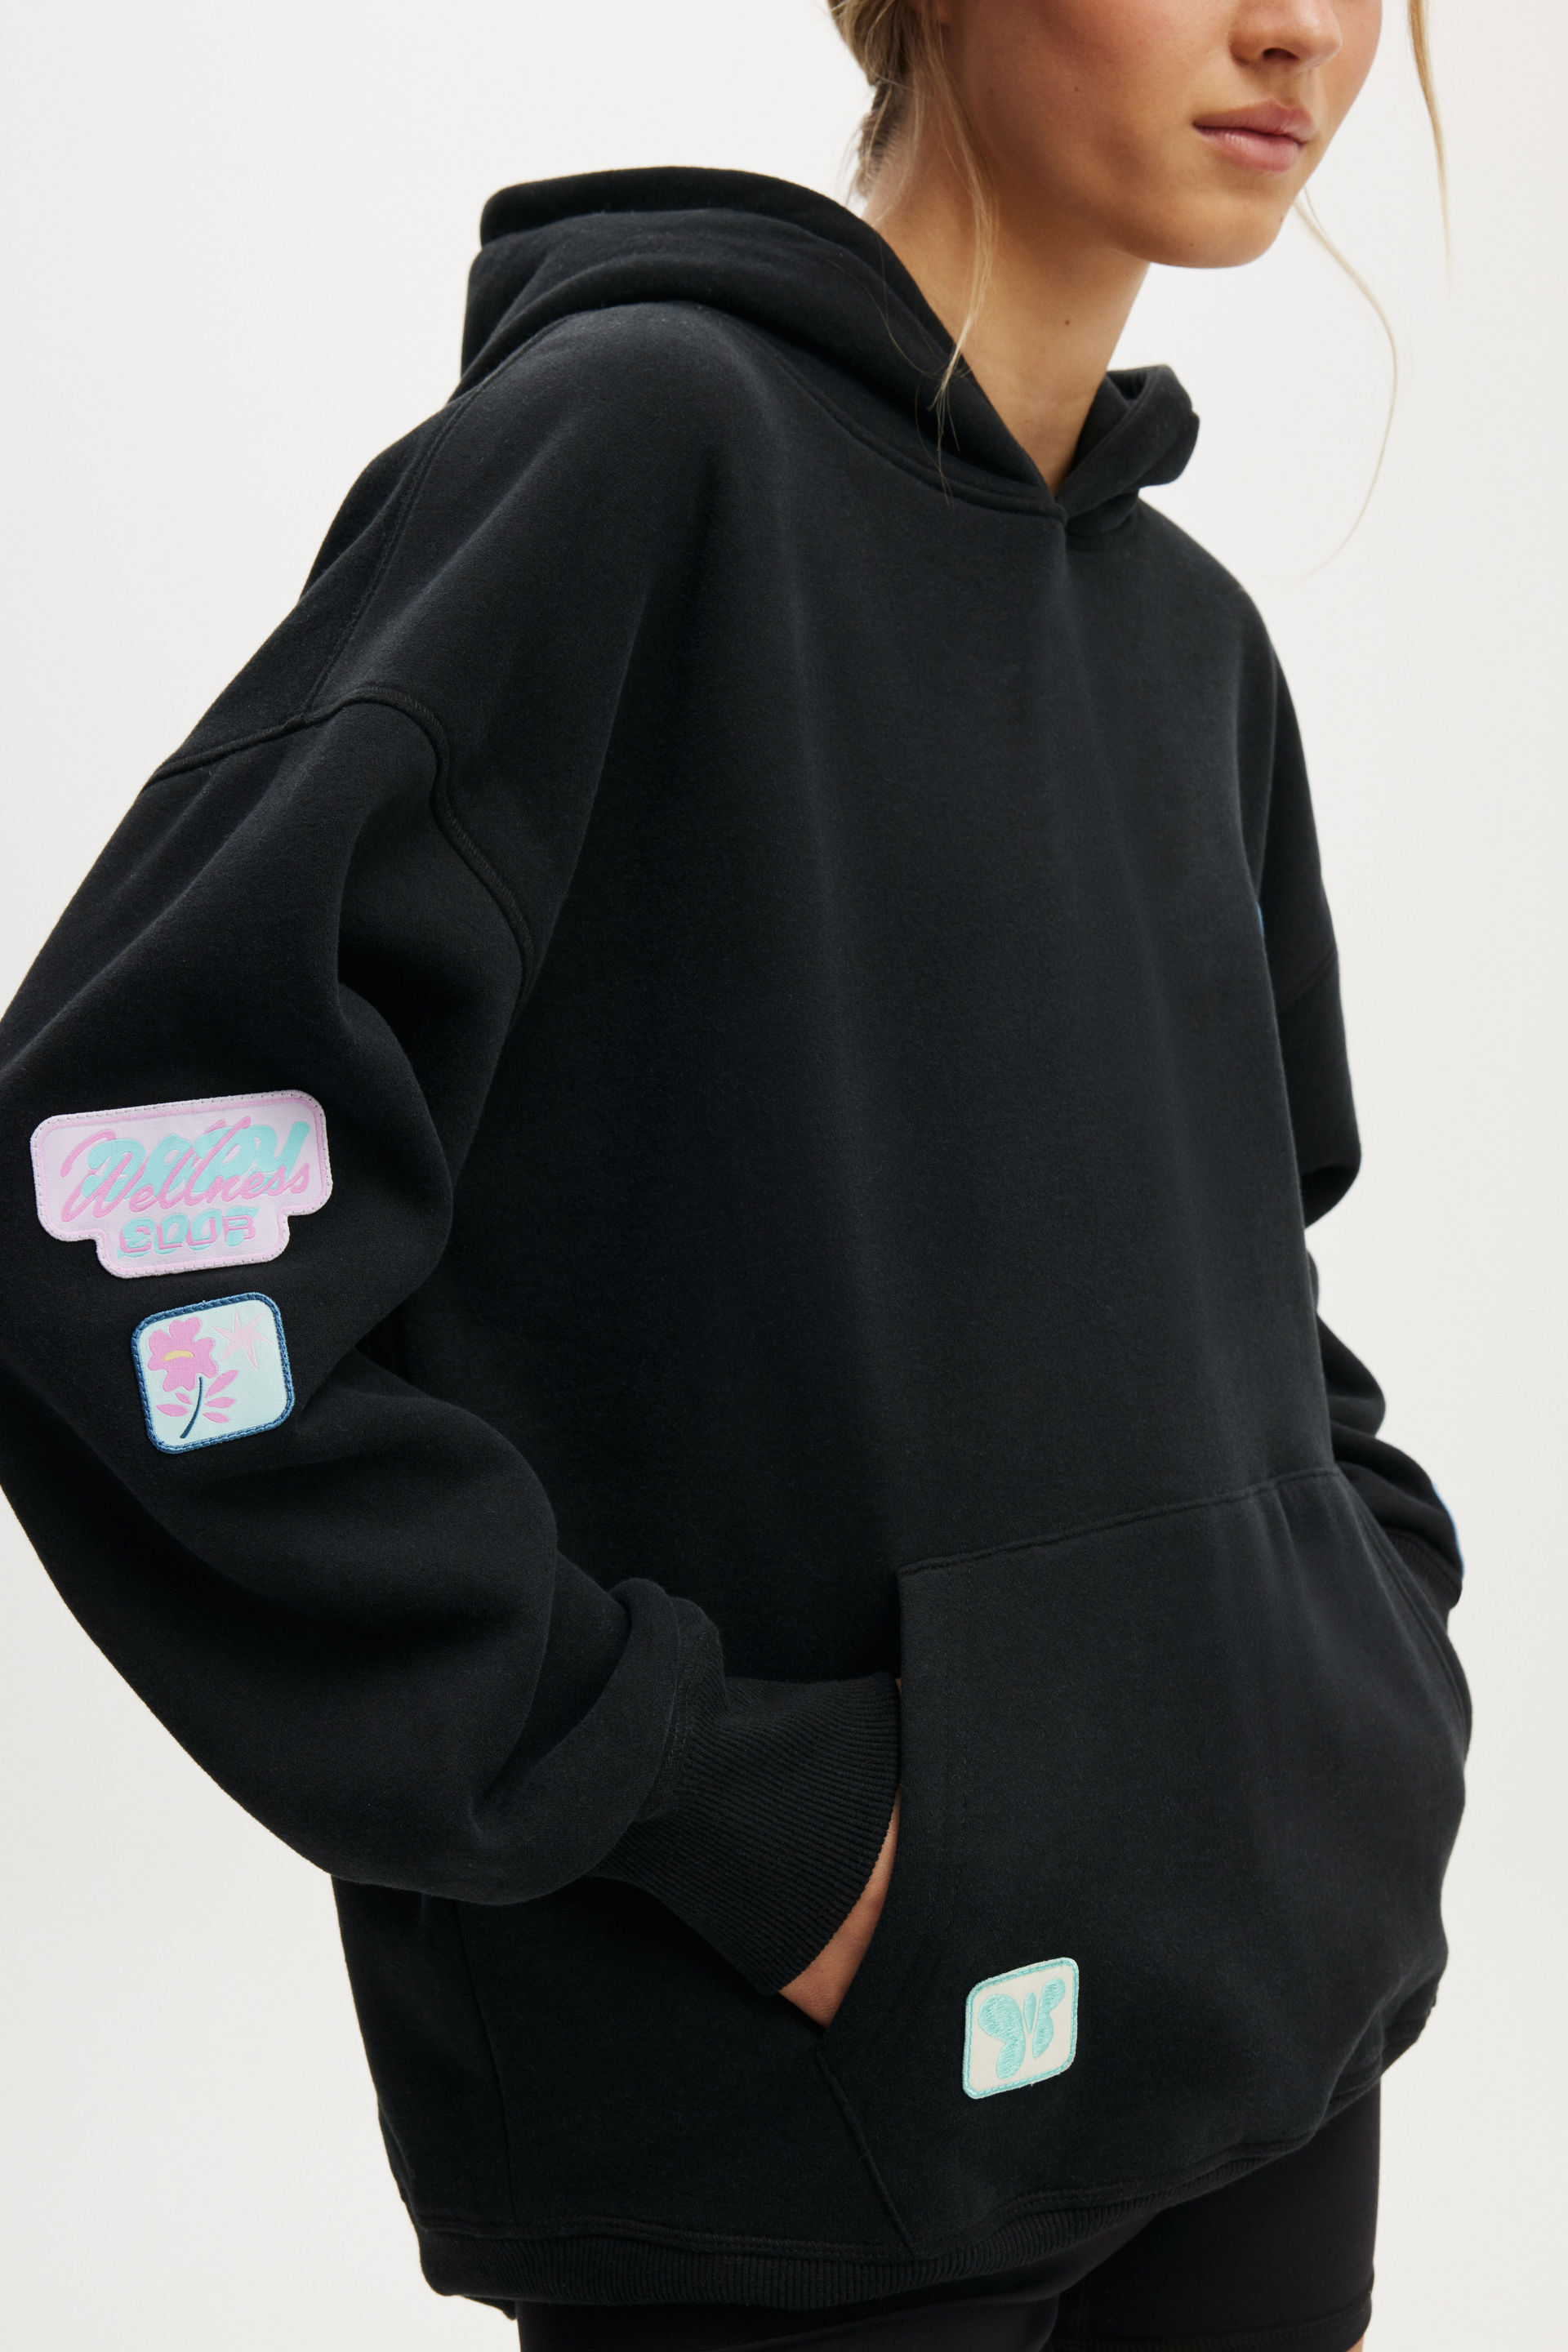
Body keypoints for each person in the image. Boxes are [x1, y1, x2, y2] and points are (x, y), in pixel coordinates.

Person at [0, 2, 1469, 2347]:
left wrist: (1355, 1665)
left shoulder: (1196, 643)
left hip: (1265, 2054)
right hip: (797, 2142)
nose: (1298, 28)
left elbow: (1242, 1278)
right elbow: (110, 1224)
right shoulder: (630, 456)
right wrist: (718, 1804)